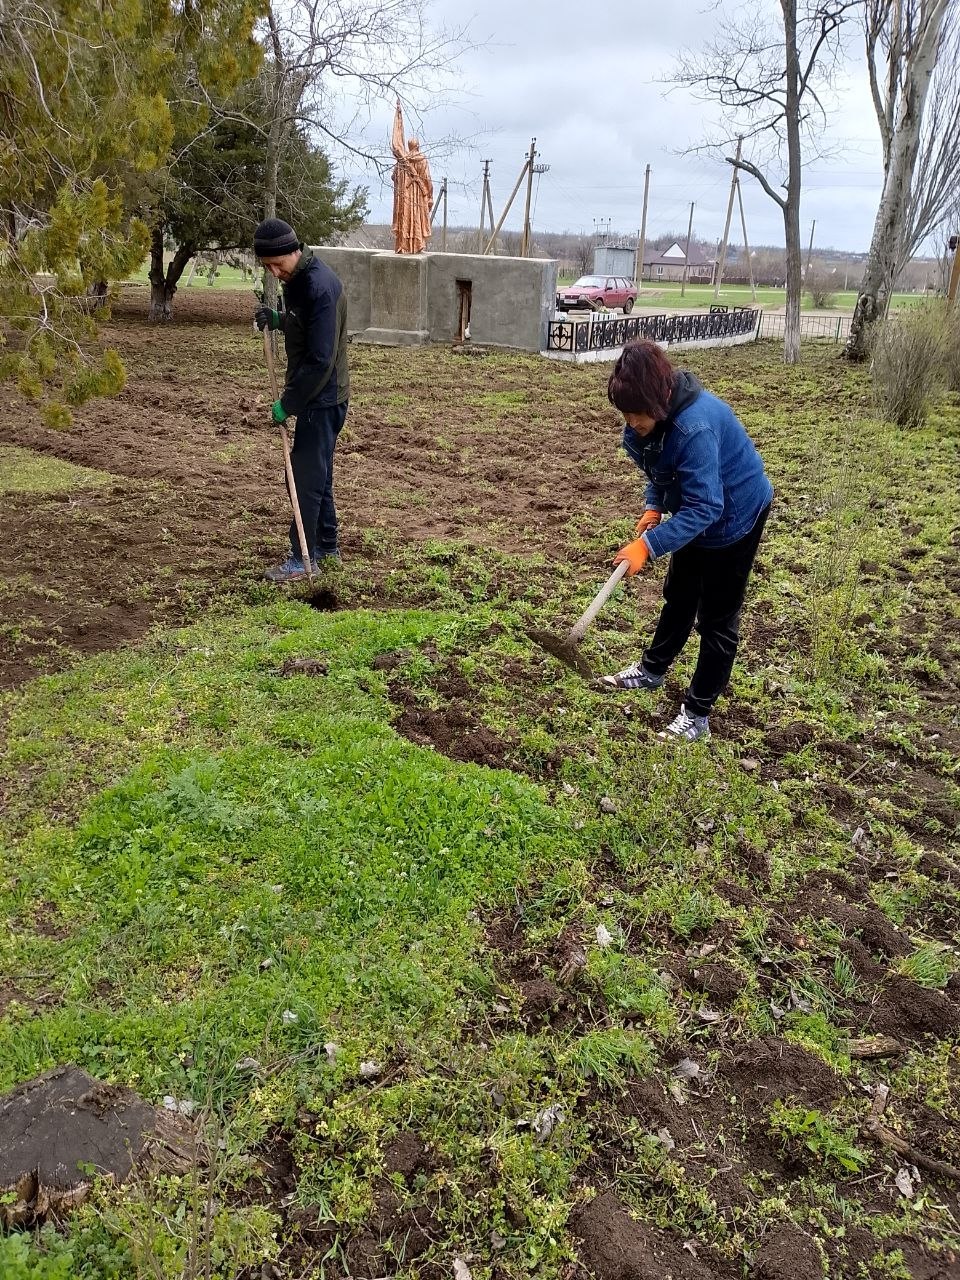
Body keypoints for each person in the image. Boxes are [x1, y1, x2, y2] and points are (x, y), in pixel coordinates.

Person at [599, 339, 773, 742]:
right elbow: (662, 468)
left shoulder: (694, 428)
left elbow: (706, 507)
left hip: (734, 514)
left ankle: (697, 714)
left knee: (716, 619)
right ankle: (652, 670)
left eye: (635, 414)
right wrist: (653, 506)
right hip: (701, 506)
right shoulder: (653, 423)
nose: (630, 423)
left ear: (657, 402)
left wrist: (648, 545)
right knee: (679, 594)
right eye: (624, 414)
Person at [253, 218, 349, 583]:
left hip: (321, 400)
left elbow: (320, 359)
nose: (275, 272)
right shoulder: (299, 280)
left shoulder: (319, 287)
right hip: (320, 396)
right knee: (319, 475)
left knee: (306, 478)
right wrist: (279, 319)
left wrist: (288, 403)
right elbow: (304, 325)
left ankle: (300, 558)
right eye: (268, 267)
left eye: (278, 264)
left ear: (294, 250)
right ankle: (327, 547)